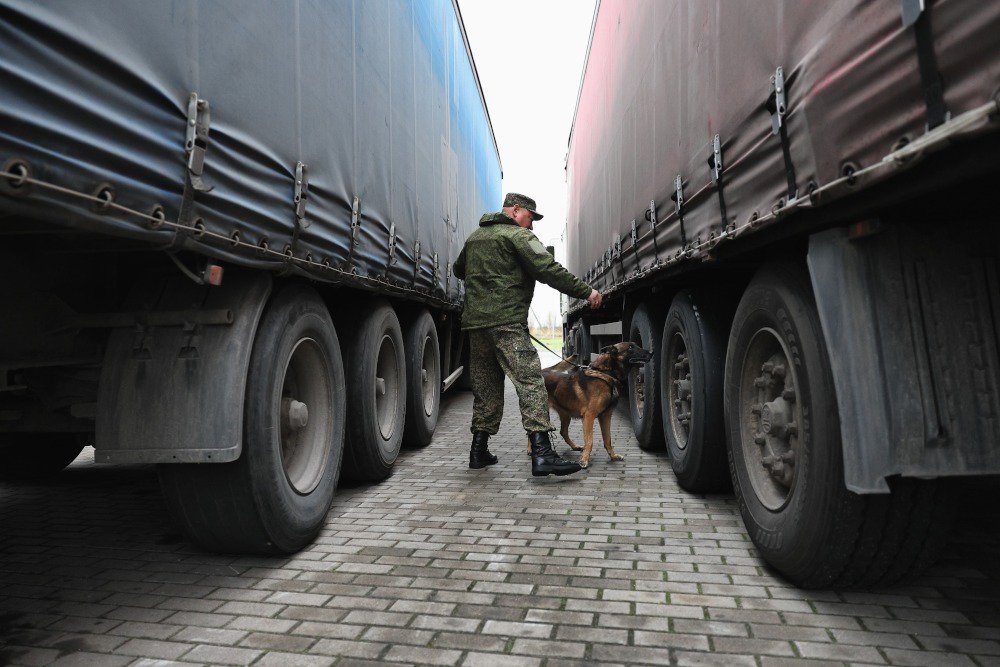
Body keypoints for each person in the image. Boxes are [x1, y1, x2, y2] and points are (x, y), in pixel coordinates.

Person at [453, 193, 602, 476]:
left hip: (475, 325)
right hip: (507, 323)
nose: (531, 226)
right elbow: (549, 270)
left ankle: (478, 451)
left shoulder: (474, 238)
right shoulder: (517, 237)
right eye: (530, 218)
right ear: (516, 210)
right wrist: (587, 292)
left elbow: (459, 269)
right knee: (531, 382)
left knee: (486, 388)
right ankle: (543, 454)